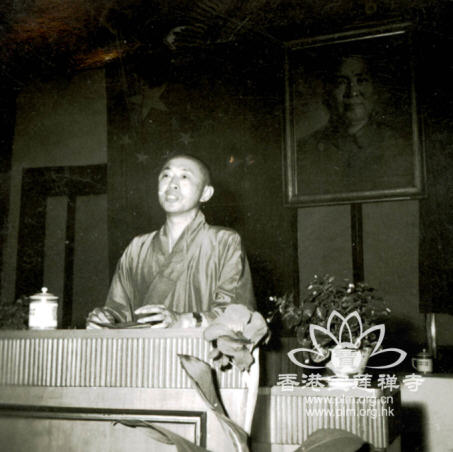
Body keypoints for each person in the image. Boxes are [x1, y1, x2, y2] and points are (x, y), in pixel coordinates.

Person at [86, 154, 255, 329]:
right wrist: (106, 319)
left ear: (206, 193)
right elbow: (119, 310)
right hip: (144, 346)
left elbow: (238, 315)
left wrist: (183, 320)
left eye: (184, 176)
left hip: (199, 345)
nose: (172, 184)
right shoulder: (138, 247)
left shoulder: (224, 241)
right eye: (166, 175)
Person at [297, 54, 414, 196]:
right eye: (341, 82)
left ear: (375, 90)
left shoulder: (398, 146)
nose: (352, 92)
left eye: (361, 81)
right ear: (327, 92)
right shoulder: (304, 149)